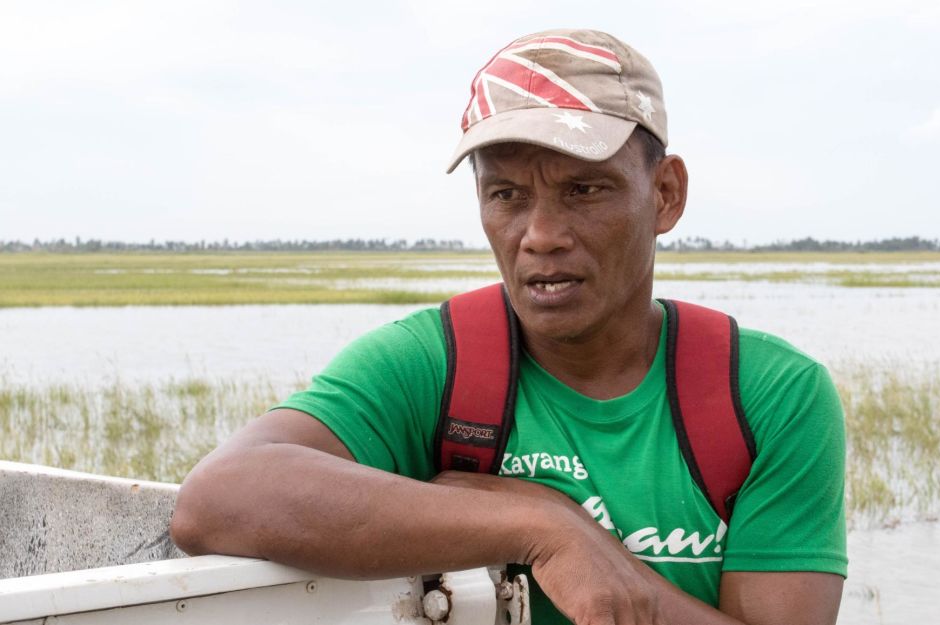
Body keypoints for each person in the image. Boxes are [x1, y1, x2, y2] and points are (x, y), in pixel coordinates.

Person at [171, 28, 847, 625]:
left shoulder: (768, 397)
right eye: (506, 195)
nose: (541, 236)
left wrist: (595, 555)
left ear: (665, 194)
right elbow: (217, 499)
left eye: (585, 189)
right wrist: (540, 525)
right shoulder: (437, 364)